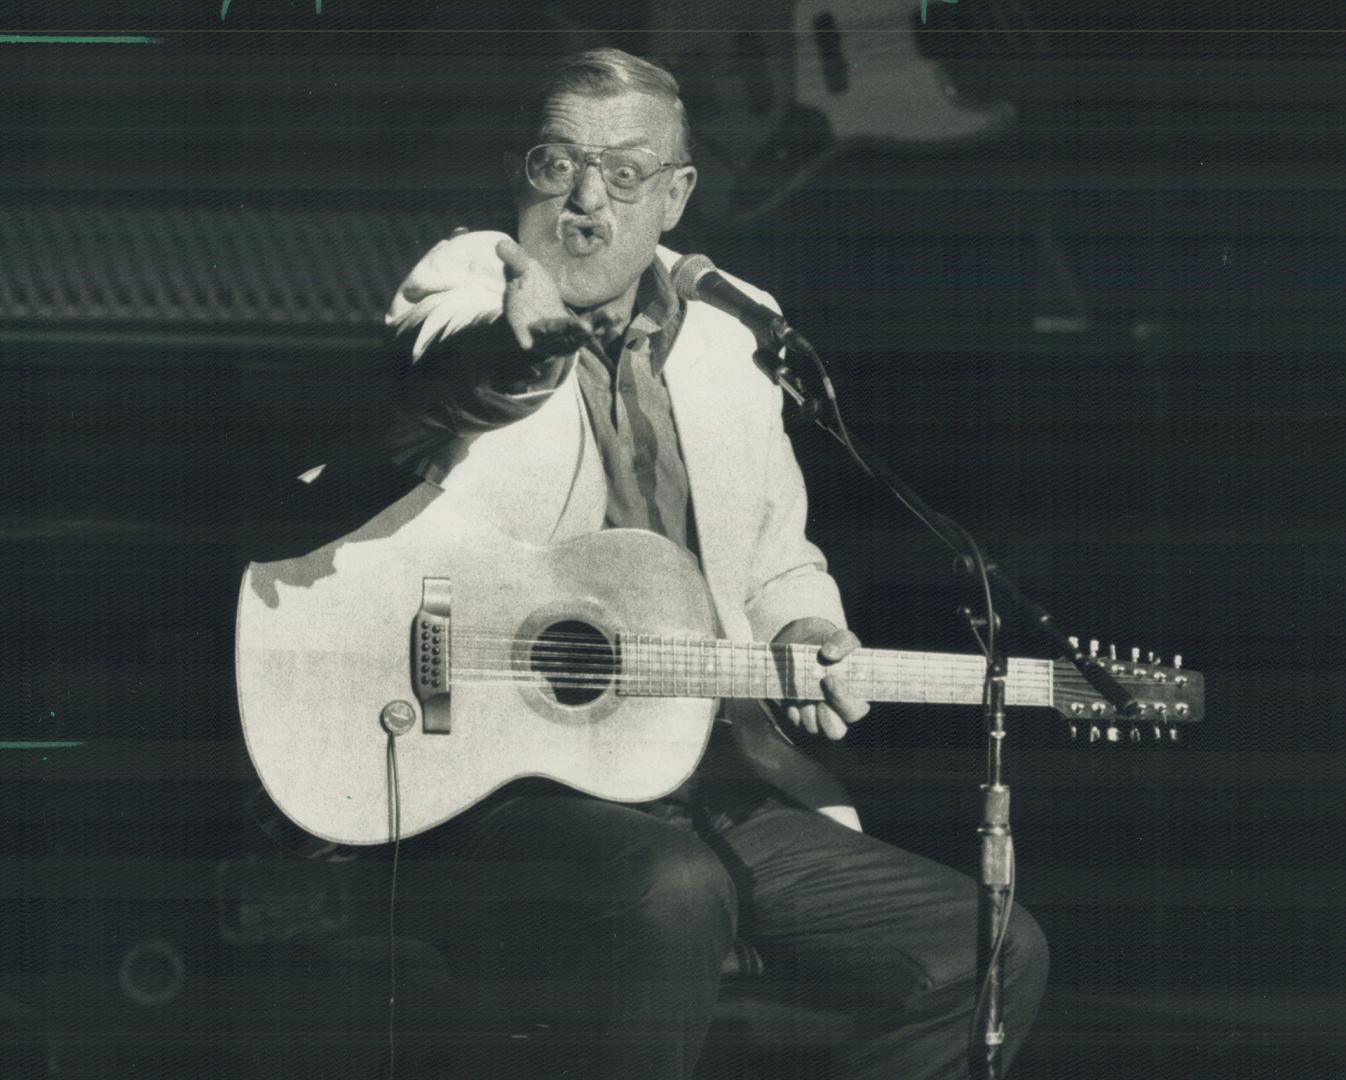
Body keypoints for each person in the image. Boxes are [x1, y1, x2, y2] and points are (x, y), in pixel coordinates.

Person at [360, 47, 1047, 1079]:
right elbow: (440, 376)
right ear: (520, 173)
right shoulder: (465, 280)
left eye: (623, 174)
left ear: (673, 197)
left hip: (707, 785)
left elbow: (774, 556)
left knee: (988, 947)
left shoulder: (734, 333)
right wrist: (521, 352)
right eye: (557, 166)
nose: (586, 202)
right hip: (494, 794)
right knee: (673, 891)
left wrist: (802, 626)